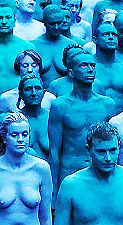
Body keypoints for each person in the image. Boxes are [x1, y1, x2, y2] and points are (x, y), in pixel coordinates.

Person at [56, 122, 123, 225]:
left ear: (119, 147)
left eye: (113, 150)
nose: (108, 158)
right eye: (101, 151)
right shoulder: (71, 185)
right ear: (89, 150)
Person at [48, 48, 116, 188]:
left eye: (92, 65)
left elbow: (113, 144)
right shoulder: (60, 105)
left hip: (101, 174)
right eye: (84, 66)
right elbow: (54, 150)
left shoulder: (107, 104)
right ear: (71, 72)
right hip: (70, 172)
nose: (90, 69)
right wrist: (54, 190)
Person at [0, 112, 53, 225]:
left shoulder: (41, 168)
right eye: (14, 135)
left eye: (24, 134)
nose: (20, 139)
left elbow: (46, 219)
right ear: (4, 138)